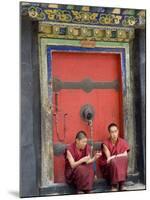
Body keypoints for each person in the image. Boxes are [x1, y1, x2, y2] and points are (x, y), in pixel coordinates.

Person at [99, 123, 130, 191]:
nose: (114, 134)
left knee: (124, 159)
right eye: (112, 132)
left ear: (118, 131)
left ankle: (122, 184)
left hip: (119, 164)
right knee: (114, 161)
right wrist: (117, 157)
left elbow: (125, 155)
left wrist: (116, 156)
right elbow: (109, 158)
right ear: (109, 133)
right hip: (109, 167)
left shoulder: (123, 142)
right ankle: (114, 185)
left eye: (115, 131)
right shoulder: (105, 143)